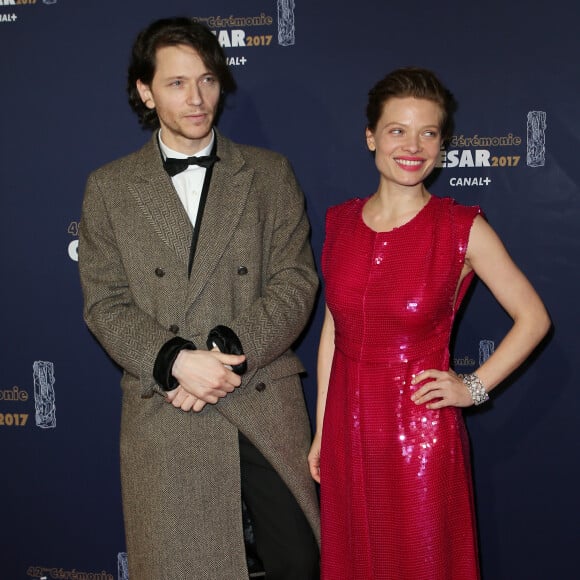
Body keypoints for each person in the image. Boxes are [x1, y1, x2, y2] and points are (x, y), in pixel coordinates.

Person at [78, 17, 320, 580]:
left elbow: (295, 280)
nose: (197, 98)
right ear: (145, 90)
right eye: (177, 83)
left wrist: (223, 351)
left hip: (259, 394)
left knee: (299, 561)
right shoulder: (110, 187)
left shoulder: (267, 173)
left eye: (207, 80)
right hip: (168, 408)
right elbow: (105, 302)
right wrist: (176, 362)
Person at [307, 67, 550, 580]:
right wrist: (321, 432)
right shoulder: (339, 223)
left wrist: (473, 387)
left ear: (442, 143)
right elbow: (334, 329)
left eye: (428, 133)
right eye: (397, 130)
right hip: (348, 432)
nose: (412, 146)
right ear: (371, 136)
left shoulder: (462, 227)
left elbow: (534, 318)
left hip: (420, 435)